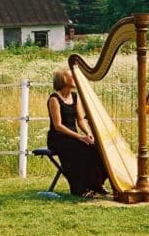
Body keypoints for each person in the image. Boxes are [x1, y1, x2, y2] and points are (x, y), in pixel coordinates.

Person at [47, 68, 109, 198]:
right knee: (81, 150)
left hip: (74, 137)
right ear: (63, 80)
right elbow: (58, 126)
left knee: (98, 148)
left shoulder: (75, 96)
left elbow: (80, 120)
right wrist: (80, 137)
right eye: (72, 77)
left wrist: (88, 133)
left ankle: (96, 184)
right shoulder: (54, 99)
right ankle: (79, 189)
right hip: (58, 139)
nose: (75, 79)